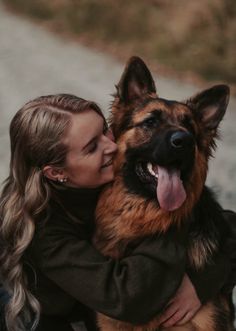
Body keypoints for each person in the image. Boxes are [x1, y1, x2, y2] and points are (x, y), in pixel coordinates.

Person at [0, 94, 235, 331]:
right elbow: (126, 297)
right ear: (57, 172)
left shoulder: (110, 180)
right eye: (92, 147)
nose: (112, 146)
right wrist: (175, 213)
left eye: (106, 131)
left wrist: (202, 282)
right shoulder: (42, 226)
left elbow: (227, 224)